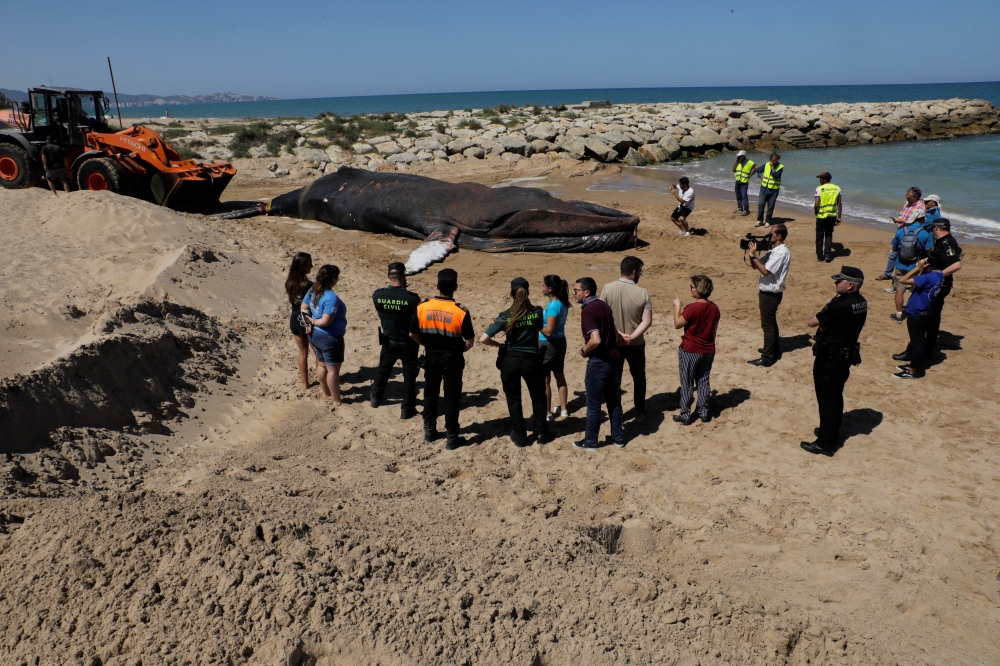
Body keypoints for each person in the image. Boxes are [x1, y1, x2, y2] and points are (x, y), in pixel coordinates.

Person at [801, 267, 868, 455]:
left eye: (839, 281)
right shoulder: (861, 302)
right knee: (835, 396)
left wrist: (824, 325)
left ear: (850, 284)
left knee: (827, 399)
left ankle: (824, 443)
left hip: (830, 357)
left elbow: (813, 322)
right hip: (844, 356)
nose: (835, 283)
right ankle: (830, 433)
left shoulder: (839, 305)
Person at [480, 278, 551, 447]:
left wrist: (499, 345)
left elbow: (483, 339)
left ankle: (520, 436)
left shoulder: (505, 316)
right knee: (538, 397)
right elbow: (539, 328)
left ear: (511, 293)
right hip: (531, 360)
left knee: (514, 400)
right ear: (528, 293)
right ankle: (541, 433)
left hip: (510, 360)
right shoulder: (537, 312)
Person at [410, 268, 475, 450]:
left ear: (437, 286)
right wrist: (458, 350)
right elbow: (469, 342)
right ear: (455, 287)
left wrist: (426, 345)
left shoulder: (423, 307)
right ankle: (452, 437)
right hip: (453, 358)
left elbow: (412, 333)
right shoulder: (460, 311)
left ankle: (429, 431)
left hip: (431, 357)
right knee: (452, 398)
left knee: (430, 393)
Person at [893, 218, 963, 365]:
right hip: (938, 285)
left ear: (936, 228)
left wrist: (938, 275)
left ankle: (913, 351)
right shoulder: (946, 241)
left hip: (937, 287)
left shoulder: (947, 242)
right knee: (932, 317)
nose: (931, 231)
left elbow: (957, 264)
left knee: (922, 316)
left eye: (932, 229)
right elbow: (960, 254)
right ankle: (926, 350)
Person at [572, 277, 623, 450]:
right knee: (613, 401)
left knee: (593, 404)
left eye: (576, 290)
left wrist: (583, 350)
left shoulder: (588, 310)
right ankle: (618, 438)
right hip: (614, 360)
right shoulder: (603, 305)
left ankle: (591, 442)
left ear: (587, 292)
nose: (573, 293)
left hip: (599, 361)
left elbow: (595, 340)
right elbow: (614, 332)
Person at [601, 256, 652, 422]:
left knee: (615, 379)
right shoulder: (643, 292)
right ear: (634, 272)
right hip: (635, 343)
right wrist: (631, 337)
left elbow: (603, 317)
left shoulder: (607, 289)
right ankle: (640, 411)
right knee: (638, 377)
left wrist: (619, 336)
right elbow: (647, 321)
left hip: (614, 342)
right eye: (640, 272)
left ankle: (618, 414)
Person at [370, 262, 421, 419]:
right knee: (409, 376)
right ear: (404, 276)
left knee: (383, 371)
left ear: (388, 276)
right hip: (408, 343)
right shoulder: (412, 299)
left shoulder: (378, 296)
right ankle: (407, 410)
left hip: (388, 341)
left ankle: (375, 400)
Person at [672, 275, 721, 426]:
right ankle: (704, 412)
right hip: (708, 349)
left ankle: (685, 414)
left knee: (687, 382)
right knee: (703, 380)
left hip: (691, 350)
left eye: (692, 287)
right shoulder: (714, 308)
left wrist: (678, 306)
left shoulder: (693, 308)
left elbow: (677, 324)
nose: (690, 289)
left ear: (699, 290)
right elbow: (713, 331)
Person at [300, 265, 347, 407]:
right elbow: (326, 321)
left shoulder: (313, 289)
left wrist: (307, 324)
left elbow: (304, 308)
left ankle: (325, 393)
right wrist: (313, 321)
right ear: (333, 279)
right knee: (333, 370)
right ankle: (336, 401)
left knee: (322, 364)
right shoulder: (331, 297)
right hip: (329, 336)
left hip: (314, 335)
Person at [894, 252, 946, 379]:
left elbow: (903, 280)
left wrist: (917, 268)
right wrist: (923, 269)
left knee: (917, 344)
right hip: (925, 312)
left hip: (916, 313)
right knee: (918, 341)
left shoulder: (926, 277)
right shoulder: (940, 275)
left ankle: (912, 371)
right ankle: (914, 365)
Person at [747, 224, 790, 367]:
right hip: (767, 292)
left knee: (768, 326)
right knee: (770, 323)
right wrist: (753, 254)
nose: (768, 235)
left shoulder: (780, 253)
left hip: (771, 294)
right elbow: (756, 266)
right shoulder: (773, 251)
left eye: (771, 233)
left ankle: (767, 357)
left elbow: (765, 271)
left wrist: (753, 256)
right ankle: (773, 349)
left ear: (779, 236)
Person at [889, 188, 934, 322]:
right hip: (916, 266)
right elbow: (929, 250)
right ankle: (913, 311)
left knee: (899, 290)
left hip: (901, 263)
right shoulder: (926, 233)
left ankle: (898, 314)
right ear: (923, 218)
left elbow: (894, 248)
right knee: (916, 290)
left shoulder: (901, 231)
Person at [876, 187, 926, 282]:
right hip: (901, 231)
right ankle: (887, 274)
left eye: (909, 198)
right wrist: (898, 219)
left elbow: (917, 222)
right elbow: (902, 214)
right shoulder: (907, 204)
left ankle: (908, 277)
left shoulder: (921, 207)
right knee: (893, 253)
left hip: (911, 235)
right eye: (907, 198)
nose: (907, 200)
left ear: (916, 197)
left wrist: (902, 220)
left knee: (908, 255)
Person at [539, 274, 570, 422]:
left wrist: (538, 324)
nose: (541, 287)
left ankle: (547, 412)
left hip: (548, 344)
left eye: (543, 285)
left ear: (550, 288)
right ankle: (564, 409)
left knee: (545, 380)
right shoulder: (562, 302)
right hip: (560, 342)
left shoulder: (553, 306)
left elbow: (549, 331)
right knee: (560, 375)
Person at [284, 252, 314, 391]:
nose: (312, 266)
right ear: (302, 266)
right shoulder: (309, 285)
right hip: (306, 321)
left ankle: (305, 384)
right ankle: (324, 381)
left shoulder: (290, 283)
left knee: (303, 354)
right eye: (309, 264)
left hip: (294, 320)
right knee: (318, 355)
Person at [813, 172, 842, 263]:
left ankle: (820, 256)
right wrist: (839, 217)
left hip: (821, 215)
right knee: (829, 235)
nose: (819, 180)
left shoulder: (819, 189)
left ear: (824, 179)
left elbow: (817, 204)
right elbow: (839, 204)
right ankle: (827, 254)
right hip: (832, 216)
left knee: (819, 235)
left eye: (820, 179)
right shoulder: (837, 188)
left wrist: (816, 212)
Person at [755, 153, 784, 227]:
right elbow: (758, 170)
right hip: (764, 188)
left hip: (774, 190)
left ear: (778, 160)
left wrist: (772, 169)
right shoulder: (766, 164)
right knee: (761, 204)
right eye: (773, 160)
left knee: (770, 206)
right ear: (770, 159)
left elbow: (776, 176)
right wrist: (760, 175)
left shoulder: (780, 167)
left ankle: (768, 221)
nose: (774, 162)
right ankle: (760, 220)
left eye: (775, 160)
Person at [732, 151, 756, 216]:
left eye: (740, 156)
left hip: (744, 182)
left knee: (744, 196)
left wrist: (751, 174)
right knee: (738, 194)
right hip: (738, 180)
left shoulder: (749, 162)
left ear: (744, 156)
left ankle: (746, 210)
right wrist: (735, 162)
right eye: (738, 156)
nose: (738, 157)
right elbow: (734, 170)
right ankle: (739, 207)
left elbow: (756, 167)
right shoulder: (738, 162)